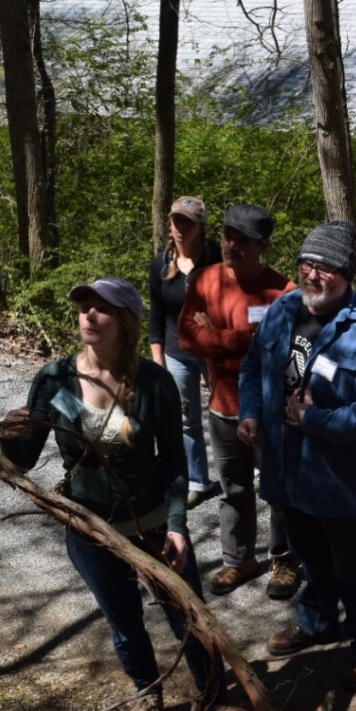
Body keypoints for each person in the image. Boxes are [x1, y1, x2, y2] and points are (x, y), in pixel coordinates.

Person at [0, 278, 248, 711]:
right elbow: (24, 459)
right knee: (124, 619)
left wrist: (177, 526)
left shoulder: (154, 383)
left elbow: (175, 461)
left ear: (126, 322)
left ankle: (217, 701)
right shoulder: (55, 380)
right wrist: (9, 437)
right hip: (89, 527)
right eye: (84, 308)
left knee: (188, 617)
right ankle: (147, 692)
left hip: (152, 523)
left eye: (101, 309)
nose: (88, 316)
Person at [238, 221, 356, 691]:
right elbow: (253, 368)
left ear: (346, 274)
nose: (313, 274)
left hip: (341, 476)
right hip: (288, 466)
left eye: (326, 267)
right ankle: (317, 621)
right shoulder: (284, 308)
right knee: (309, 553)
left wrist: (315, 422)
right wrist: (251, 413)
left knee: (355, 564)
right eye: (307, 263)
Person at [179, 203, 299, 599]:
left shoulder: (284, 293)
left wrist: (218, 340)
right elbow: (187, 338)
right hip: (221, 408)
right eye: (228, 236)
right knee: (234, 489)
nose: (231, 246)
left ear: (263, 245)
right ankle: (239, 560)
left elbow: (281, 354)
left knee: (279, 492)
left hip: (270, 412)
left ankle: (284, 560)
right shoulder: (204, 280)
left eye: (243, 241)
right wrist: (245, 339)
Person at [148, 196, 221, 509]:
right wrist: (158, 362)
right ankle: (197, 480)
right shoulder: (160, 263)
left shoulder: (217, 256)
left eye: (188, 222)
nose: (181, 227)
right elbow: (156, 315)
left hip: (217, 350)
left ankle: (250, 470)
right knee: (186, 418)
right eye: (177, 220)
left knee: (230, 411)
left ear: (200, 226)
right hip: (178, 352)